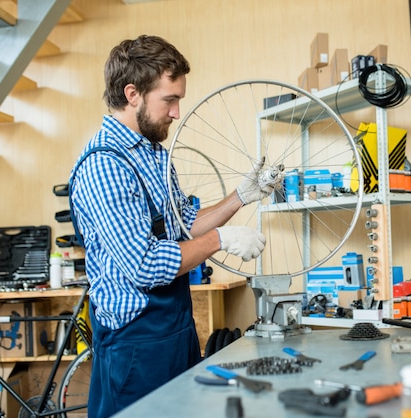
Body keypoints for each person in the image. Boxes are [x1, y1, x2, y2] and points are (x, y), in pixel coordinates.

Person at [68, 34, 278, 417]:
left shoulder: (153, 153)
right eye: (169, 99)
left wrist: (242, 196)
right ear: (132, 94)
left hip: (175, 329)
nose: (177, 112)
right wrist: (221, 239)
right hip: (135, 346)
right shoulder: (105, 165)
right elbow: (144, 264)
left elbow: (183, 223)